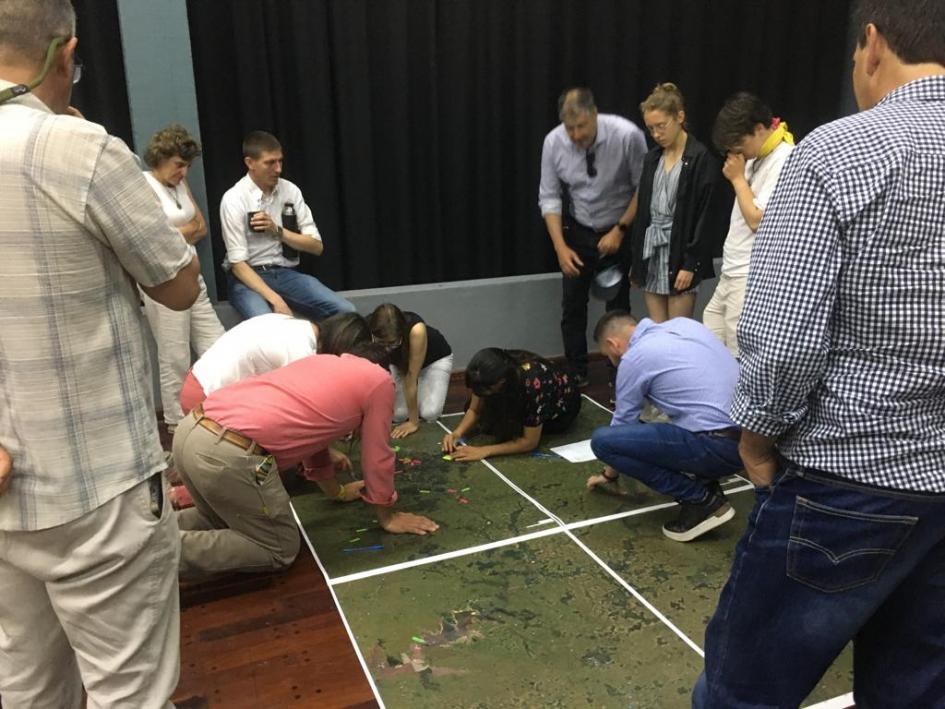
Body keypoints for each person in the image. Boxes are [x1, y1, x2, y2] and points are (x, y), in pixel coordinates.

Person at [694, 2, 945, 705]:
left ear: (870, 46)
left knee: (741, 691)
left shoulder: (838, 151)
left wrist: (756, 436)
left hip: (849, 476)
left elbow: (782, 337)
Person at [0, 1, 200, 705]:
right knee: (130, 692)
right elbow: (179, 284)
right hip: (98, 482)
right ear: (66, 53)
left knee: (26, 684)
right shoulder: (82, 149)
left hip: (3, 493)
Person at [172, 343, 439, 581]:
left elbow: (315, 441)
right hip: (226, 453)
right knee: (279, 548)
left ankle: (147, 536)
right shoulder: (380, 382)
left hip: (190, 431)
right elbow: (377, 456)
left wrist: (338, 491)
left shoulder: (321, 362)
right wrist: (387, 516)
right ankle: (158, 555)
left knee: (217, 518)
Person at [586, 311, 743, 541]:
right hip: (751, 439)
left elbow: (619, 427)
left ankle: (700, 500)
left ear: (613, 344)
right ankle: (706, 482)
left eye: (608, 355)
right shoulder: (685, 325)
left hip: (717, 447)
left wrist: (609, 475)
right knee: (670, 418)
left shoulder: (634, 358)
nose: (612, 361)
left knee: (603, 441)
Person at [539, 87, 647, 386]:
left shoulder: (627, 136)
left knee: (618, 307)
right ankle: (576, 372)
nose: (575, 135)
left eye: (581, 126)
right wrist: (560, 247)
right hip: (578, 229)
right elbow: (549, 197)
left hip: (619, 228)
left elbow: (644, 187)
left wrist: (620, 229)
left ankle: (620, 374)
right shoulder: (554, 142)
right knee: (572, 306)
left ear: (595, 115)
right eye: (569, 128)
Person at [219, 130, 355, 321]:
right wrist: (276, 300)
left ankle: (325, 350)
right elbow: (238, 265)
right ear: (250, 163)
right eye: (270, 163)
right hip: (247, 278)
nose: (278, 169)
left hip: (285, 273)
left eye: (280, 161)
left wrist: (278, 231)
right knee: (272, 325)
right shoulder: (234, 198)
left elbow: (316, 246)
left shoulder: (290, 191)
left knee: (347, 311)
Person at [141, 123, 225, 430]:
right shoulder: (143, 184)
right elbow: (148, 239)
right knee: (174, 356)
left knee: (218, 345)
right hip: (163, 284)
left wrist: (177, 234)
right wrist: (183, 233)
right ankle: (177, 427)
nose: (184, 172)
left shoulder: (180, 185)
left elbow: (200, 227)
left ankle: (222, 411)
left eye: (188, 166)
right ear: (161, 157)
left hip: (193, 279)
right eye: (179, 165)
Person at [702, 93, 794, 357]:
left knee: (738, 352)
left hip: (750, 271)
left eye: (740, 144)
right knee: (711, 330)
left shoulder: (785, 157)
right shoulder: (757, 156)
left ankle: (736, 398)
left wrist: (737, 180)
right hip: (733, 266)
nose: (736, 153)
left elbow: (757, 220)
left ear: (759, 128)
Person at [629, 83, 731, 322]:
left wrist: (691, 263)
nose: (655, 134)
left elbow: (705, 216)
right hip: (652, 250)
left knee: (678, 331)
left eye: (661, 126)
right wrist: (637, 261)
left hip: (681, 251)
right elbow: (643, 211)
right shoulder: (652, 158)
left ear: (680, 117)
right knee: (657, 329)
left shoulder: (700, 158)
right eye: (650, 128)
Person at [179, 312, 360, 414]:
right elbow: (304, 414)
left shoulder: (296, 326)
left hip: (197, 384)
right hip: (205, 400)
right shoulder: (301, 349)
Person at [442, 348, 581, 461]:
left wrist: (484, 451)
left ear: (502, 381)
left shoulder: (534, 383)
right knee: (488, 422)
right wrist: (457, 433)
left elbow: (529, 442)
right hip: (517, 393)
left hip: (561, 411)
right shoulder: (487, 373)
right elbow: (474, 410)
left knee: (509, 431)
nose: (481, 392)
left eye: (487, 389)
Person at [368, 303, 454, 438]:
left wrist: (414, 422)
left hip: (433, 361)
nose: (386, 349)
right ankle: (418, 394)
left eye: (392, 343)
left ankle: (421, 393)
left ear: (401, 333)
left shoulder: (416, 330)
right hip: (400, 364)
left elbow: (411, 376)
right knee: (398, 415)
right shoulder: (367, 328)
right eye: (381, 343)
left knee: (430, 414)